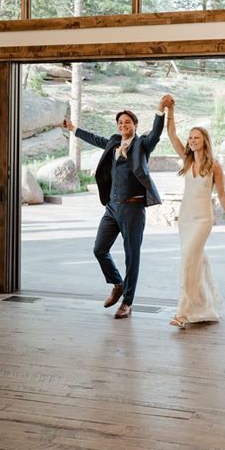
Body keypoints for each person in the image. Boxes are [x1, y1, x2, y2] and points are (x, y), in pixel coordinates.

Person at [62, 96, 171, 319]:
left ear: (134, 125)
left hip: (133, 209)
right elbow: (94, 138)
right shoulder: (113, 141)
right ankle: (117, 283)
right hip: (112, 208)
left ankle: (127, 303)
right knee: (99, 249)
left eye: (127, 123)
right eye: (120, 123)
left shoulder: (142, 144)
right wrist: (74, 129)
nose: (123, 126)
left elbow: (156, 134)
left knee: (132, 257)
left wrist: (160, 110)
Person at [166, 98, 225, 328]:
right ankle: (202, 308)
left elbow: (223, 195)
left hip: (203, 220)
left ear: (205, 141)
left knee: (188, 260)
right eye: (191, 137)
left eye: (197, 137)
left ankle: (182, 313)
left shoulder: (214, 165)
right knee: (193, 263)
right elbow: (171, 134)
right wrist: (171, 110)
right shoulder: (187, 160)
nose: (192, 141)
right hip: (185, 218)